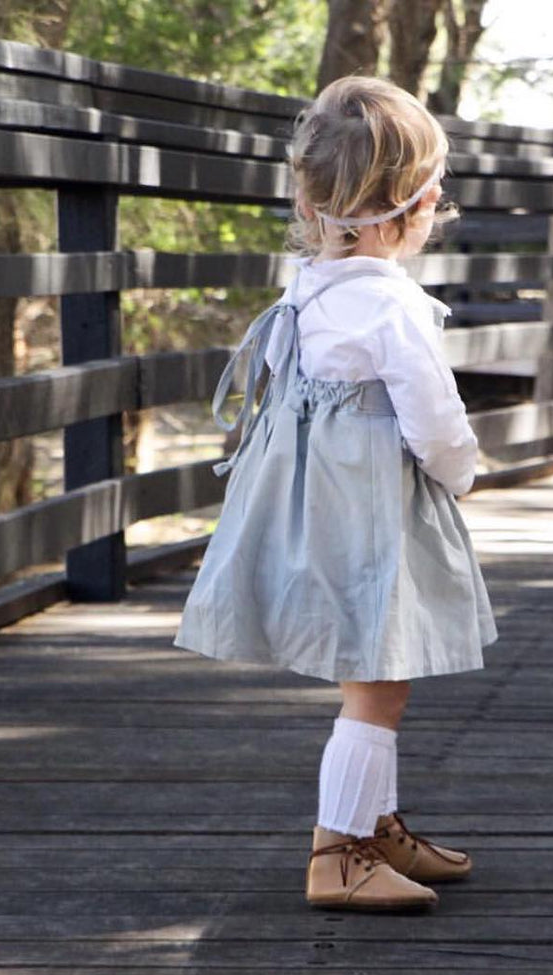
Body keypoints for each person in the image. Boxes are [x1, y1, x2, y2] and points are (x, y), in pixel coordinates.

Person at [173, 76, 497, 911]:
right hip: (368, 514)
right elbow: (433, 419)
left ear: (308, 198)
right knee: (379, 681)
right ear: (417, 208)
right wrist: (462, 473)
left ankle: (374, 825)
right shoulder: (394, 306)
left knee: (377, 671)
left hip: (307, 502)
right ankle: (337, 854)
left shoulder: (305, 287)